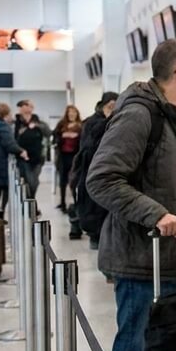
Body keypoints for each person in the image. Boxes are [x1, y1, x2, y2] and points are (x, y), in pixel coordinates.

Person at [87, 40, 176, 351]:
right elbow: (102, 179)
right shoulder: (139, 115)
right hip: (144, 261)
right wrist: (155, 214)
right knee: (137, 350)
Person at [72, 92, 117, 248]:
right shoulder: (92, 122)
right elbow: (89, 146)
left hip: (111, 173)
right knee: (93, 207)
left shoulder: (120, 120)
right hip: (91, 171)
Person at [13, 100, 47, 198]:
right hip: (22, 156)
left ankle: (32, 201)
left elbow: (48, 132)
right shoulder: (16, 122)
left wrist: (37, 126)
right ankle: (30, 203)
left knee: (34, 181)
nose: (28, 108)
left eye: (30, 106)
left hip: (37, 156)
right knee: (28, 181)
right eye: (25, 106)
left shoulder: (37, 121)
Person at [53, 105, 83, 211]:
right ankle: (62, 203)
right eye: (70, 112)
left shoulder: (81, 126)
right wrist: (63, 136)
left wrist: (75, 136)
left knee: (74, 180)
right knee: (62, 179)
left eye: (73, 112)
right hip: (63, 156)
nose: (71, 114)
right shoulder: (61, 125)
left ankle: (76, 202)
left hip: (75, 156)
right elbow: (55, 137)